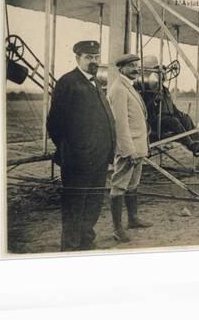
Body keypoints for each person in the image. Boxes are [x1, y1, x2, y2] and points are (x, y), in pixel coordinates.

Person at [46, 40, 116, 251]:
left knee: (93, 204)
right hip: (78, 160)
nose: (93, 61)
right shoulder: (68, 83)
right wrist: (72, 150)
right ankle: (70, 247)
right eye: (88, 57)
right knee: (75, 204)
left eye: (96, 57)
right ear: (77, 58)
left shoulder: (95, 83)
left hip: (99, 158)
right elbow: (55, 123)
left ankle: (86, 240)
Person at [107, 54, 153, 242]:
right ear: (121, 69)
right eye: (131, 66)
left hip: (138, 146)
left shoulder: (128, 87)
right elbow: (120, 124)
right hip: (129, 148)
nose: (135, 69)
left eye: (136, 65)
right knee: (119, 186)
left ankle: (132, 219)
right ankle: (117, 229)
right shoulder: (118, 89)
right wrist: (129, 150)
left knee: (132, 185)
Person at [141, 65, 199, 157]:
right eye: (161, 74)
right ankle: (191, 145)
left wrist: (179, 113)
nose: (164, 76)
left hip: (168, 118)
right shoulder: (148, 90)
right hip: (156, 121)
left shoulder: (165, 89)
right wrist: (155, 101)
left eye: (165, 74)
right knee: (174, 121)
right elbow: (145, 108)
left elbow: (171, 106)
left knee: (186, 118)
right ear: (155, 75)